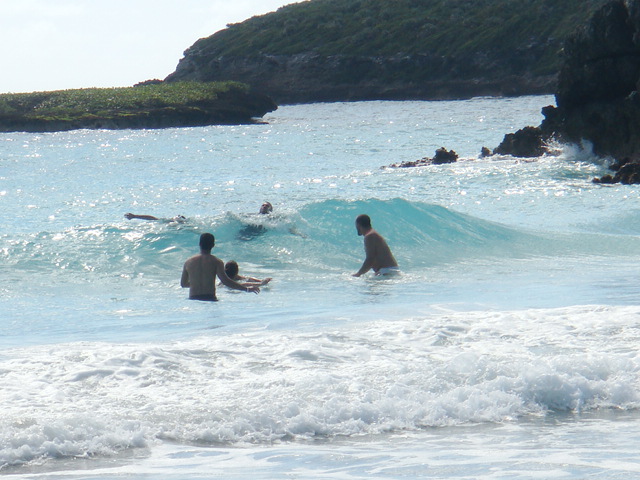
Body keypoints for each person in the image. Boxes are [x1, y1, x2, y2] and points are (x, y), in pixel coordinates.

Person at [181, 233, 260, 301]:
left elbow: (183, 284)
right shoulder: (216, 261)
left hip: (193, 298)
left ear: (199, 244)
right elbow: (226, 281)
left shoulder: (188, 262)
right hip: (210, 298)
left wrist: (197, 283)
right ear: (213, 245)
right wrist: (246, 289)